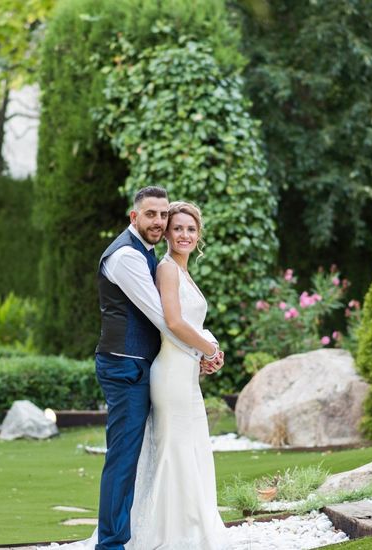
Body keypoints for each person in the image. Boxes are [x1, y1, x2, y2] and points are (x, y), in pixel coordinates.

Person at [91, 187, 224, 550]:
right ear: (134, 217)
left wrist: (197, 354)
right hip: (125, 366)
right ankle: (112, 544)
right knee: (125, 454)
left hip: (153, 366)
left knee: (161, 450)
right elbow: (165, 320)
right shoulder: (126, 258)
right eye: (152, 214)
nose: (160, 222)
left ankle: (175, 524)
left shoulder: (151, 255)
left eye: (163, 214)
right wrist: (206, 351)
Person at [125, 200, 228, 549]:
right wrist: (209, 350)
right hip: (170, 375)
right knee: (176, 452)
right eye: (178, 228)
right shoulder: (167, 269)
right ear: (167, 233)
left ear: (198, 235)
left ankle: (194, 525)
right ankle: (171, 534)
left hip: (186, 373)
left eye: (190, 229)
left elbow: (190, 325)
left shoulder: (184, 272)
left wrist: (207, 350)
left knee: (191, 449)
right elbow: (172, 322)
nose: (184, 234)